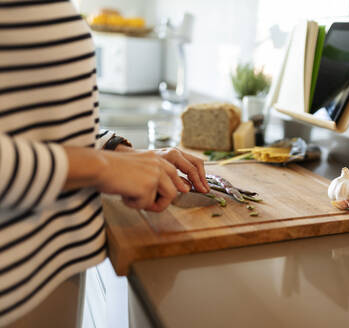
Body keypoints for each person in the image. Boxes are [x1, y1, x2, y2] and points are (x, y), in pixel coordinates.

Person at [0, 1, 209, 326]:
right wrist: (101, 168)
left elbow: (27, 117)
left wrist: (112, 152)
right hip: (12, 278)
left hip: (52, 260)